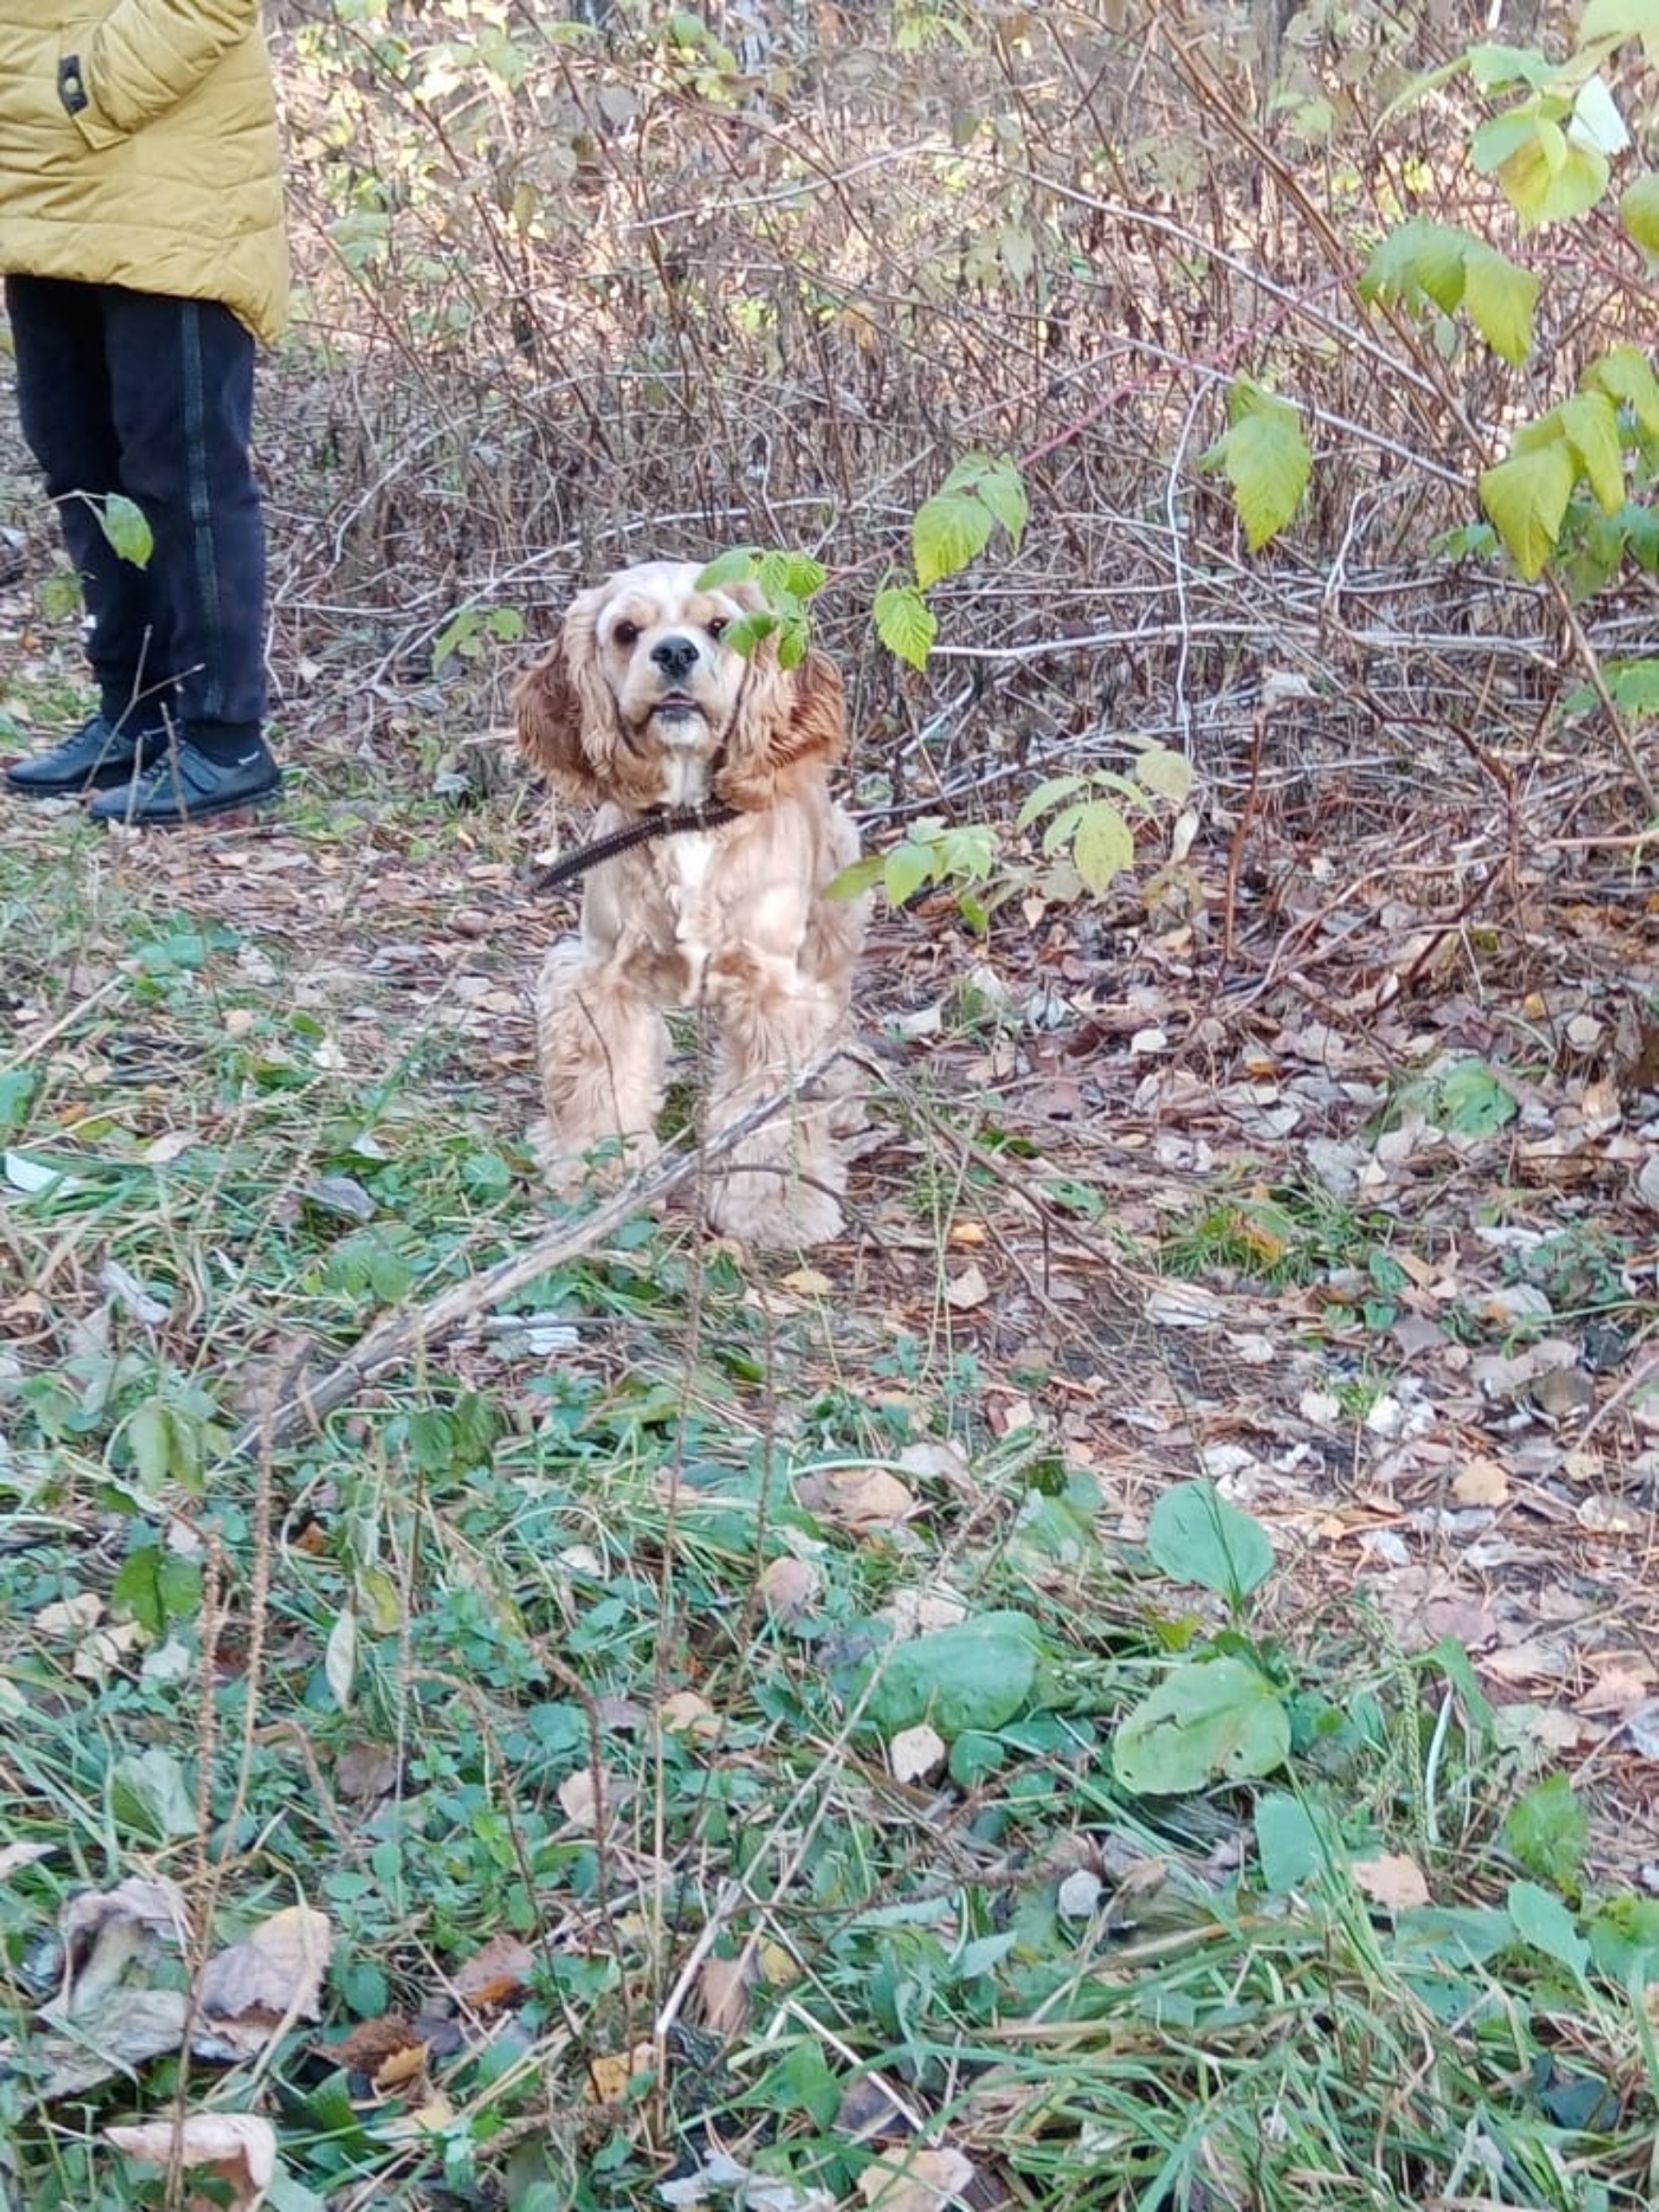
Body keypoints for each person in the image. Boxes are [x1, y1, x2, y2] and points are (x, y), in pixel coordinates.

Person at [0, 0, 288, 827]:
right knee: (79, 460)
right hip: (41, 193)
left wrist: (84, 88)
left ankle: (225, 737)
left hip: (171, 194)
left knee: (183, 475)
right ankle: (135, 712)